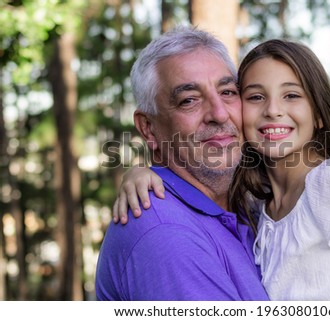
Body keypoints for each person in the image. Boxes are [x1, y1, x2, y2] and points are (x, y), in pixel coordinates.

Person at [113, 39, 330, 301]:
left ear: (319, 113)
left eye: (292, 95)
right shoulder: (256, 206)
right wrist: (141, 172)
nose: (273, 110)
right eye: (255, 97)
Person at [95, 26, 270, 300]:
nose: (219, 113)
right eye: (189, 100)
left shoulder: (256, 203)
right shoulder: (166, 233)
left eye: (227, 92)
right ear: (149, 129)